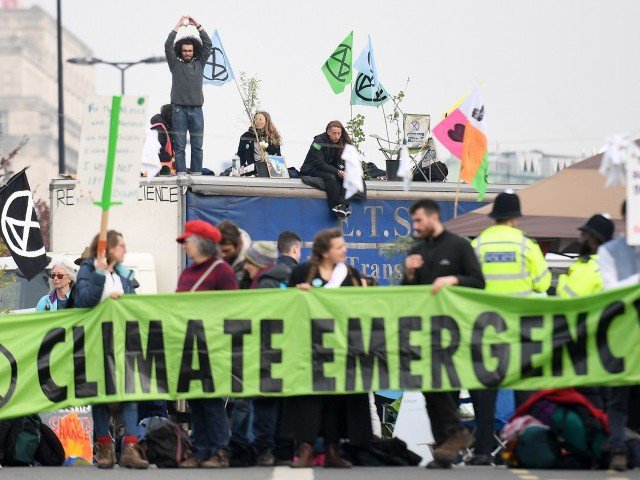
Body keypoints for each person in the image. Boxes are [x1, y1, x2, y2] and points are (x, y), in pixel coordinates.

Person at [468, 190, 552, 465]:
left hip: (486, 330)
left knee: (484, 396)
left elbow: (468, 285)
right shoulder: (526, 245)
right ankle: (522, 451)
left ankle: (482, 451)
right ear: (516, 217)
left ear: (494, 217)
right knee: (523, 395)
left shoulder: (478, 245)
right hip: (520, 331)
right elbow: (542, 283)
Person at [402, 199, 485, 469]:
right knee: (429, 388)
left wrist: (454, 280)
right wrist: (410, 273)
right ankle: (446, 448)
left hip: (455, 331)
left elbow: (479, 282)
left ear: (434, 217)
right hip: (425, 330)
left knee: (445, 387)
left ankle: (453, 439)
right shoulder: (417, 249)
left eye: (418, 220)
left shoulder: (459, 246)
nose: (415, 226)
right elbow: (406, 294)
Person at [284, 228, 372, 469]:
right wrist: (296, 295)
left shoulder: (350, 275)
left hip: (339, 348)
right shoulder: (302, 272)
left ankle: (333, 449)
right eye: (339, 247)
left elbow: (360, 307)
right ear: (324, 251)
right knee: (308, 398)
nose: (345, 250)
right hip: (309, 348)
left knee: (336, 399)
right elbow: (284, 305)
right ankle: (306, 448)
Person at [74, 231, 148, 469]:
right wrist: (99, 274)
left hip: (122, 343)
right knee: (101, 397)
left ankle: (130, 448)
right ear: (108, 249)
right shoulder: (87, 270)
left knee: (129, 394)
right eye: (121, 246)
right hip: (97, 343)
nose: (125, 250)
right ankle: (105, 447)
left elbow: (133, 304)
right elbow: (84, 301)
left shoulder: (123, 276)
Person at [176, 220, 238, 468]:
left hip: (214, 344)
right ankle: (201, 450)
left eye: (187, 241)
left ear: (201, 243)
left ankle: (220, 449)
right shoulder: (188, 272)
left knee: (212, 399)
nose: (185, 247)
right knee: (196, 400)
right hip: (190, 345)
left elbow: (232, 308)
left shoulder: (221, 270)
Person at [597, 200, 640, 472]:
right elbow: (610, 289)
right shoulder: (609, 251)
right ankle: (618, 449)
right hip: (623, 335)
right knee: (618, 395)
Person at [164, 15, 212, 174]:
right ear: (181, 51)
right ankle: (181, 174)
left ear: (194, 51)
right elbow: (167, 46)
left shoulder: (200, 63)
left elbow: (208, 44)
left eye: (190, 50)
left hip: (197, 110)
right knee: (179, 145)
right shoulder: (175, 64)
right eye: (184, 50)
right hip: (179, 110)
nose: (187, 53)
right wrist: (178, 25)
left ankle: (197, 174)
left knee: (197, 145)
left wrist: (197, 25)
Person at [300, 121, 353, 218]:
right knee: (331, 177)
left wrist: (344, 170)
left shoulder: (340, 143)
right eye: (334, 133)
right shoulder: (318, 141)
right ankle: (335, 206)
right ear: (328, 132)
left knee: (345, 177)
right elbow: (319, 163)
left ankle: (344, 205)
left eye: (339, 133)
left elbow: (341, 161)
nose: (336, 136)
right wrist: (337, 171)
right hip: (311, 168)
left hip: (327, 167)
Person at [557, 214, 614, 298]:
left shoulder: (589, 266)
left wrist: (564, 277)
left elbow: (567, 298)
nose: (579, 240)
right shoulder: (610, 264)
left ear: (593, 240)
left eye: (583, 235)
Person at [218, 220, 252, 289]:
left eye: (226, 251)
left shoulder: (251, 263)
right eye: (219, 250)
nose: (222, 255)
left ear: (238, 246)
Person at [150, 104, 176, 175]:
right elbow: (158, 150)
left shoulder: (165, 128)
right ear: (170, 115)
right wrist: (169, 158)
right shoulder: (159, 129)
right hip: (160, 168)